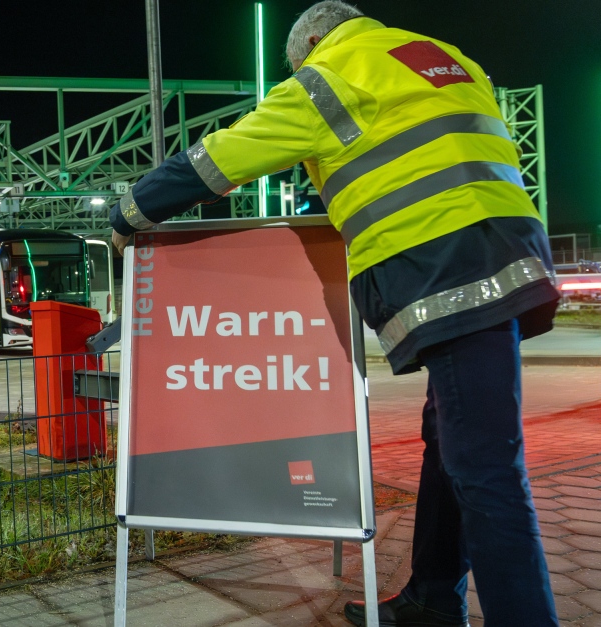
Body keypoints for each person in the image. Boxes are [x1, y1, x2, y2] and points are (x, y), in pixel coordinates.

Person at [109, 2, 559, 625]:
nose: (298, 71)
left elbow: (218, 161)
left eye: (298, 62)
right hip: (511, 258)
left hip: (443, 272)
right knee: (448, 439)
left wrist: (127, 215)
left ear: (314, 41)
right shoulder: (441, 57)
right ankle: (432, 594)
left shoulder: (326, 79)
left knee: (488, 472)